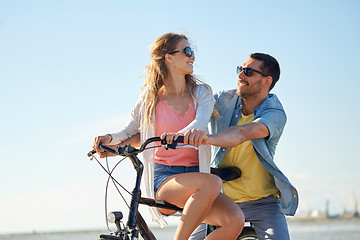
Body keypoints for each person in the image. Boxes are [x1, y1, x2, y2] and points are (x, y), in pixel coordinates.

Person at [92, 33, 244, 240]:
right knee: (212, 182)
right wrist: (109, 138)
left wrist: (179, 136)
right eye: (187, 51)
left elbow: (199, 123)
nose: (192, 57)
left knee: (234, 221)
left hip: (198, 176)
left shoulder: (202, 93)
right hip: (165, 179)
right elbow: (129, 132)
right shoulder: (150, 97)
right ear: (169, 57)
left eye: (193, 52)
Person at [185, 53, 298, 240]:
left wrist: (206, 138)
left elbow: (243, 133)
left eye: (248, 72)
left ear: (266, 81)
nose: (240, 75)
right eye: (240, 69)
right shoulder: (223, 100)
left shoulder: (274, 112)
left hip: (264, 204)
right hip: (220, 201)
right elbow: (187, 108)